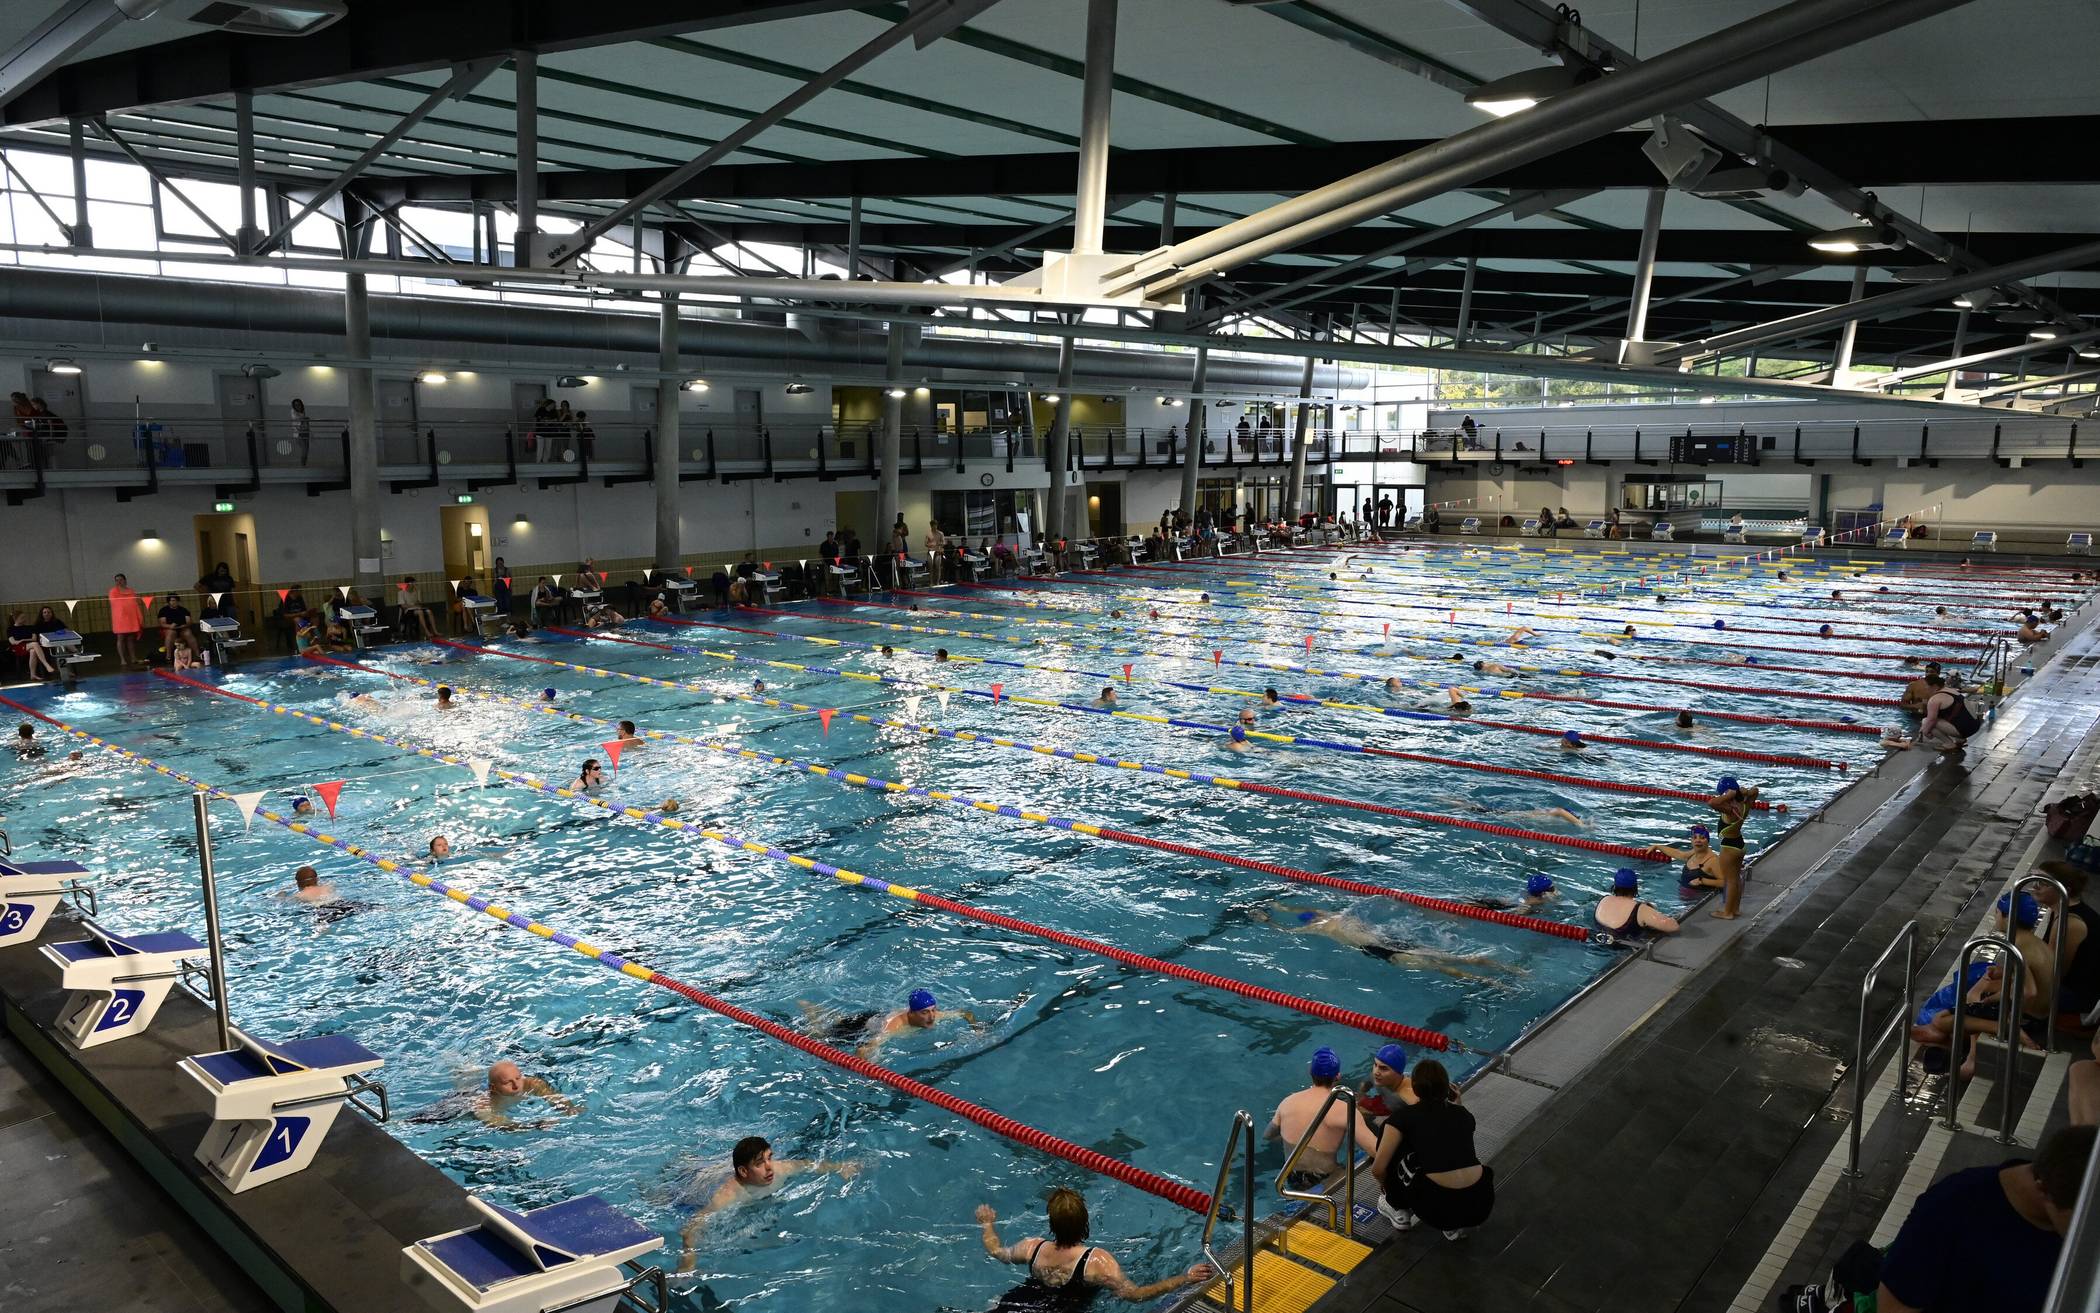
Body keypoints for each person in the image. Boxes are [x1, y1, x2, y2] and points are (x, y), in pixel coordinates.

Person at [1862, 1124, 2094, 1313]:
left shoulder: (2067, 1212)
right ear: (2044, 1190)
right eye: (2085, 1219)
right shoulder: (1952, 1207)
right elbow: (1895, 1306)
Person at [974, 1189, 1212, 1307]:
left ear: (1052, 1224)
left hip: (1014, 1303)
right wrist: (1185, 1278)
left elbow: (996, 1251)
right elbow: (1135, 1295)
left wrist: (987, 1224)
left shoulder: (1032, 1247)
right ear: (1084, 1223)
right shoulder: (1097, 1261)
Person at [1915, 893, 2053, 1078]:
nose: (1995, 916)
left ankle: (1994, 1035)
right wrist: (2000, 980)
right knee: (1979, 994)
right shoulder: (2033, 942)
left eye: (1997, 912)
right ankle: (1948, 1038)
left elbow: (2030, 992)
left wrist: (2009, 1015)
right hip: (2043, 1014)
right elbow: (2028, 979)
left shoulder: (2017, 949)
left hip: (2029, 1020)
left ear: (2007, 917)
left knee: (1943, 1018)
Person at [676, 1137, 861, 1269]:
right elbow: (691, 1227)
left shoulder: (780, 1169)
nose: (769, 1167)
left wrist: (840, 1167)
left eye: (769, 1157)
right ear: (744, 1171)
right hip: (691, 1190)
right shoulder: (729, 1195)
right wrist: (688, 1263)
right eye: (759, 1163)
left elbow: (808, 1164)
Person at [1249, 902, 1526, 984]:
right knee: (1452, 957)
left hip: (1381, 951)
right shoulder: (1334, 915)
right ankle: (1507, 969)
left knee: (1441, 968)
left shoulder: (1318, 928)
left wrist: (1267, 921)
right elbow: (1305, 911)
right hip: (1391, 938)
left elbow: (1288, 932)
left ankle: (1491, 983)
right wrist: (1282, 906)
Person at [1367, 1058, 1492, 1240]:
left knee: (1396, 1150)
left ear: (1415, 1088)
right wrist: (1457, 1103)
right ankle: (1453, 1226)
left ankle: (1397, 1207)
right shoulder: (1463, 1114)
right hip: (1480, 1204)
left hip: (1436, 1211)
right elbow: (1452, 1137)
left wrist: (1387, 1188)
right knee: (1451, 1148)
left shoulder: (1400, 1119)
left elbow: (1378, 1170)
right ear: (1446, 1087)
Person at [1267, 1047, 1380, 1188]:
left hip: (1291, 1176)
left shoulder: (1287, 1102)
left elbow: (1269, 1135)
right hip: (1326, 1177)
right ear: (1338, 1076)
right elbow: (1375, 1151)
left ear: (1311, 1071)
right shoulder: (1345, 1110)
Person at [797, 989, 979, 1061]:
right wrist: (870, 1072)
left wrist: (977, 1028)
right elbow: (863, 1049)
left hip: (876, 1017)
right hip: (863, 1026)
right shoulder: (894, 1027)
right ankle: (809, 1009)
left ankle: (818, 1010)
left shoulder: (935, 1016)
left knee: (839, 1019)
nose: (932, 1016)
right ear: (911, 1013)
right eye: (925, 1012)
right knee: (819, 1036)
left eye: (933, 1010)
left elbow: (965, 1013)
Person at [1707, 774, 1760, 919]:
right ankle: (1735, 909)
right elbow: (1755, 791)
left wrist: (1729, 794)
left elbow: (1712, 803)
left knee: (1729, 880)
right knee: (1735, 878)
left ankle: (1727, 913)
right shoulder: (1744, 804)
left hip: (1729, 848)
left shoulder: (1730, 809)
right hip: (1739, 844)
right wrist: (1746, 792)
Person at [473, 1060, 581, 1129]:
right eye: (508, 1082)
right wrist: (535, 1125)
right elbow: (500, 1125)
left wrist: (568, 1107)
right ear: (493, 1088)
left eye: (518, 1078)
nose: (516, 1085)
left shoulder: (531, 1084)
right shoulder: (484, 1103)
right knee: (470, 1078)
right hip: (472, 1090)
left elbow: (553, 1097)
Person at [1595, 868, 1679, 939]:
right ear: (1635, 888)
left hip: (1597, 941)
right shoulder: (1640, 909)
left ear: (1614, 886)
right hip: (1623, 949)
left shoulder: (1604, 900)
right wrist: (1650, 910)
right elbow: (1673, 927)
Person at [1357, 1044, 1416, 1129]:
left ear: (1398, 1072)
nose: (1376, 1072)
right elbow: (1364, 1085)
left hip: (1401, 1115)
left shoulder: (1410, 1093)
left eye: (1383, 1068)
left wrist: (1390, 1119)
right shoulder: (1378, 1077)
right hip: (1387, 1105)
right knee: (1356, 1110)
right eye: (1375, 1064)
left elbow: (1424, 1120)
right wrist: (1360, 1098)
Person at [1918, 676, 1982, 755]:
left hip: (1964, 730)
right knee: (1950, 716)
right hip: (1975, 725)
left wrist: (1925, 731)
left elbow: (1931, 720)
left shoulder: (1935, 699)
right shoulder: (1951, 690)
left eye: (1925, 685)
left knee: (1925, 721)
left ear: (1934, 686)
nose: (1924, 688)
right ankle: (1960, 740)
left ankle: (1949, 744)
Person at [1650, 824, 1725, 891]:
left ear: (1708, 841)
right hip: (1685, 896)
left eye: (1702, 838)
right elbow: (1679, 854)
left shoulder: (1713, 860)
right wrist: (1657, 847)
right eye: (1694, 837)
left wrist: (1703, 881)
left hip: (1699, 897)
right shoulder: (1693, 853)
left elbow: (1725, 882)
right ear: (1691, 840)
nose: (1698, 840)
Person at [108, 572, 145, 667]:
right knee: (120, 638)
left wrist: (138, 616)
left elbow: (134, 603)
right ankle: (122, 659)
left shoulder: (131, 591)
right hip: (120, 618)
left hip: (131, 617)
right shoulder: (113, 591)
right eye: (117, 580)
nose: (119, 582)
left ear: (125, 580)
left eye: (120, 579)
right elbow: (115, 604)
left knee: (131, 638)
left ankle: (133, 658)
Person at [11, 609, 58, 680]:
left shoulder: (30, 627)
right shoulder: (11, 629)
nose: (24, 619)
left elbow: (34, 638)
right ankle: (46, 665)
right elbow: (13, 642)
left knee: (33, 651)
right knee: (35, 644)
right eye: (22, 618)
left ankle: (32, 675)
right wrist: (20, 641)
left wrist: (23, 640)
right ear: (16, 619)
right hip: (18, 647)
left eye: (24, 617)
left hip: (29, 645)